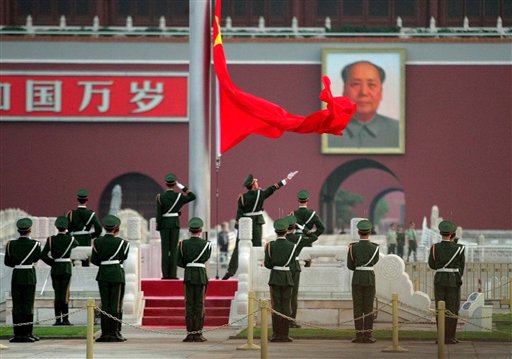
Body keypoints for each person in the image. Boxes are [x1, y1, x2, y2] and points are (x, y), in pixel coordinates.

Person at [222, 171, 298, 280]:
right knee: (257, 245)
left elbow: (239, 213)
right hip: (256, 222)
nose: (257, 183)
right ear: (253, 184)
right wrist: (286, 179)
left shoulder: (242, 197)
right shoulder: (260, 194)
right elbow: (273, 188)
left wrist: (237, 228)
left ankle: (231, 271)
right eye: (256, 182)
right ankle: (258, 267)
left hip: (245, 223)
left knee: (238, 247)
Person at [328, 60, 399, 149]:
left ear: (381, 92)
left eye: (371, 85)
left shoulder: (398, 131)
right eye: (356, 84)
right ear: (344, 91)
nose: (364, 92)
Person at [91, 214, 130, 342]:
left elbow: (95, 260)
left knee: (105, 304)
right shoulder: (123, 243)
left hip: (103, 274)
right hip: (116, 274)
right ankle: (115, 332)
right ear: (116, 229)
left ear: (104, 228)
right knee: (115, 305)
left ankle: (105, 333)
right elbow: (123, 257)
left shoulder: (97, 242)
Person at [4, 218, 42, 343]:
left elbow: (7, 262)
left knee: (17, 306)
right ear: (30, 230)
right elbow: (36, 258)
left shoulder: (10, 244)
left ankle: (18, 334)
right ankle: (27, 333)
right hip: (29, 275)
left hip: (17, 275)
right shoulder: (35, 244)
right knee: (27, 305)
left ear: (18, 230)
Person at [428, 220, 465, 345]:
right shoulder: (459, 248)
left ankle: (441, 337)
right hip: (453, 280)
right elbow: (461, 268)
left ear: (441, 233)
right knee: (452, 308)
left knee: (440, 309)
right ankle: (450, 337)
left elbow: (432, 265)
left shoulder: (434, 248)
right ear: (452, 234)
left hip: (439, 280)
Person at [177, 217, 212, 342]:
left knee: (189, 305)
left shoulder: (182, 244)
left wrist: (188, 265)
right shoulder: (206, 245)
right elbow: (206, 258)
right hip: (201, 275)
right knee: (199, 305)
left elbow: (179, 261)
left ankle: (190, 333)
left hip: (189, 275)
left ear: (189, 230)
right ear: (200, 230)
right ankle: (198, 333)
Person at [156, 173, 196, 279]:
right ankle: (173, 275)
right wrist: (181, 186)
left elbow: (158, 214)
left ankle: (165, 275)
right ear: (174, 184)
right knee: (173, 250)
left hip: (164, 224)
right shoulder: (179, 196)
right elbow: (192, 196)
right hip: (174, 223)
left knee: (165, 250)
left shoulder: (160, 197)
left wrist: (158, 226)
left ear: (165, 184)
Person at [41, 216, 79, 326]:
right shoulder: (70, 239)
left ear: (56, 227)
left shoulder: (51, 239)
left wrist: (52, 263)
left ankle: (58, 319)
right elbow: (76, 243)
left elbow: (43, 255)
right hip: (66, 268)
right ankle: (65, 319)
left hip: (56, 268)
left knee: (57, 295)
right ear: (66, 227)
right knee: (65, 294)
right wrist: (68, 234)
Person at [346, 219, 380, 344]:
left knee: (358, 308)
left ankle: (359, 335)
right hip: (369, 278)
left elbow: (350, 265)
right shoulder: (375, 248)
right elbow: (375, 261)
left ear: (359, 232)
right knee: (369, 307)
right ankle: (368, 335)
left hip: (357, 278)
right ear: (369, 232)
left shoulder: (352, 247)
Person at [264, 218, 296, 343]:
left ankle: (276, 334)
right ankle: (285, 334)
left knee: (276, 306)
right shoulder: (292, 246)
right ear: (286, 231)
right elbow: (292, 262)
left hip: (275, 277)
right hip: (287, 277)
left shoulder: (270, 245)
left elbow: (267, 264)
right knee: (286, 306)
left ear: (276, 231)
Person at [284, 215, 318, 328]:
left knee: (282, 295)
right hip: (294, 267)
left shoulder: (279, 240)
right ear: (294, 227)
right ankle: (291, 321)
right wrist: (303, 229)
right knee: (293, 296)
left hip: (282, 268)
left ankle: (281, 320)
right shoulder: (298, 239)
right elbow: (314, 237)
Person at [66, 189, 102, 267]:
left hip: (74, 240)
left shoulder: (71, 213)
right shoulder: (91, 214)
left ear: (77, 200)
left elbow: (67, 229)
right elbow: (99, 229)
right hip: (86, 240)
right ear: (87, 200)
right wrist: (90, 236)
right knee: (85, 264)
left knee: (73, 263)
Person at [292, 189, 325, 267]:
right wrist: (311, 235)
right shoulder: (312, 214)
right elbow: (321, 228)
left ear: (298, 200)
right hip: (307, 240)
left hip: (295, 239)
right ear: (307, 200)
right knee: (307, 263)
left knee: (294, 261)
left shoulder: (293, 214)